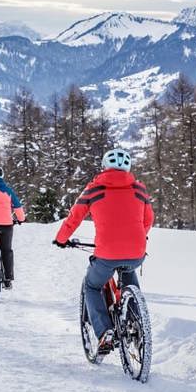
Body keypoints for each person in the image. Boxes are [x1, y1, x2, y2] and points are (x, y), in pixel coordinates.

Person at [53, 149, 154, 355]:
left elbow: (74, 218)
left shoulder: (93, 189)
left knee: (92, 286)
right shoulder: (140, 190)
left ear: (104, 166)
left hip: (107, 254)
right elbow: (148, 220)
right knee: (128, 274)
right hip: (136, 252)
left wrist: (61, 239)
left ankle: (104, 331)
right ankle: (136, 323)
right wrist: (138, 236)